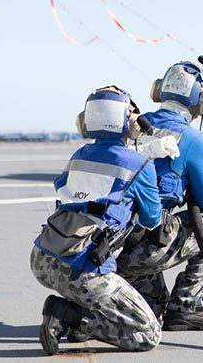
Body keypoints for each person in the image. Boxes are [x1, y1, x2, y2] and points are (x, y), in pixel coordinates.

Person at [30, 85, 170, 355]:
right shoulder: (140, 164)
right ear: (128, 120)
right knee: (147, 334)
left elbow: (66, 187)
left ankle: (73, 311)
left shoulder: (79, 156)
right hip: (82, 266)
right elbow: (152, 219)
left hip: (42, 257)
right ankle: (67, 316)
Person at [116, 61, 203, 332]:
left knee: (153, 314)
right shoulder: (193, 140)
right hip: (146, 248)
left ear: (160, 90)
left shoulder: (135, 125)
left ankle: (153, 300)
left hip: (114, 249)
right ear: (201, 99)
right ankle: (188, 307)